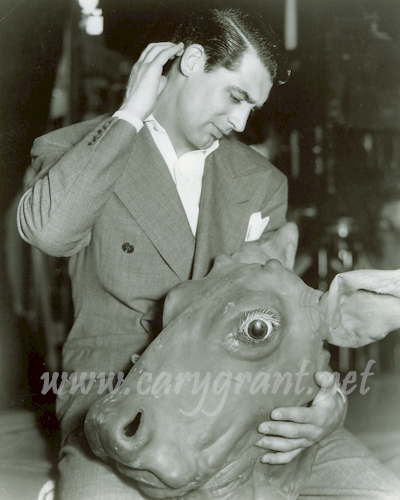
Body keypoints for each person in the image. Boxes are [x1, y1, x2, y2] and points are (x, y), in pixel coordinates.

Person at [17, 6, 400, 499]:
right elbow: (48, 233)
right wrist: (130, 114)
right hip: (119, 399)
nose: (240, 121)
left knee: (382, 492)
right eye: (236, 96)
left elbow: (285, 319)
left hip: (241, 407)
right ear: (193, 61)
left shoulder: (260, 182)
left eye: (251, 109)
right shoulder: (80, 149)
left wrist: (326, 402)